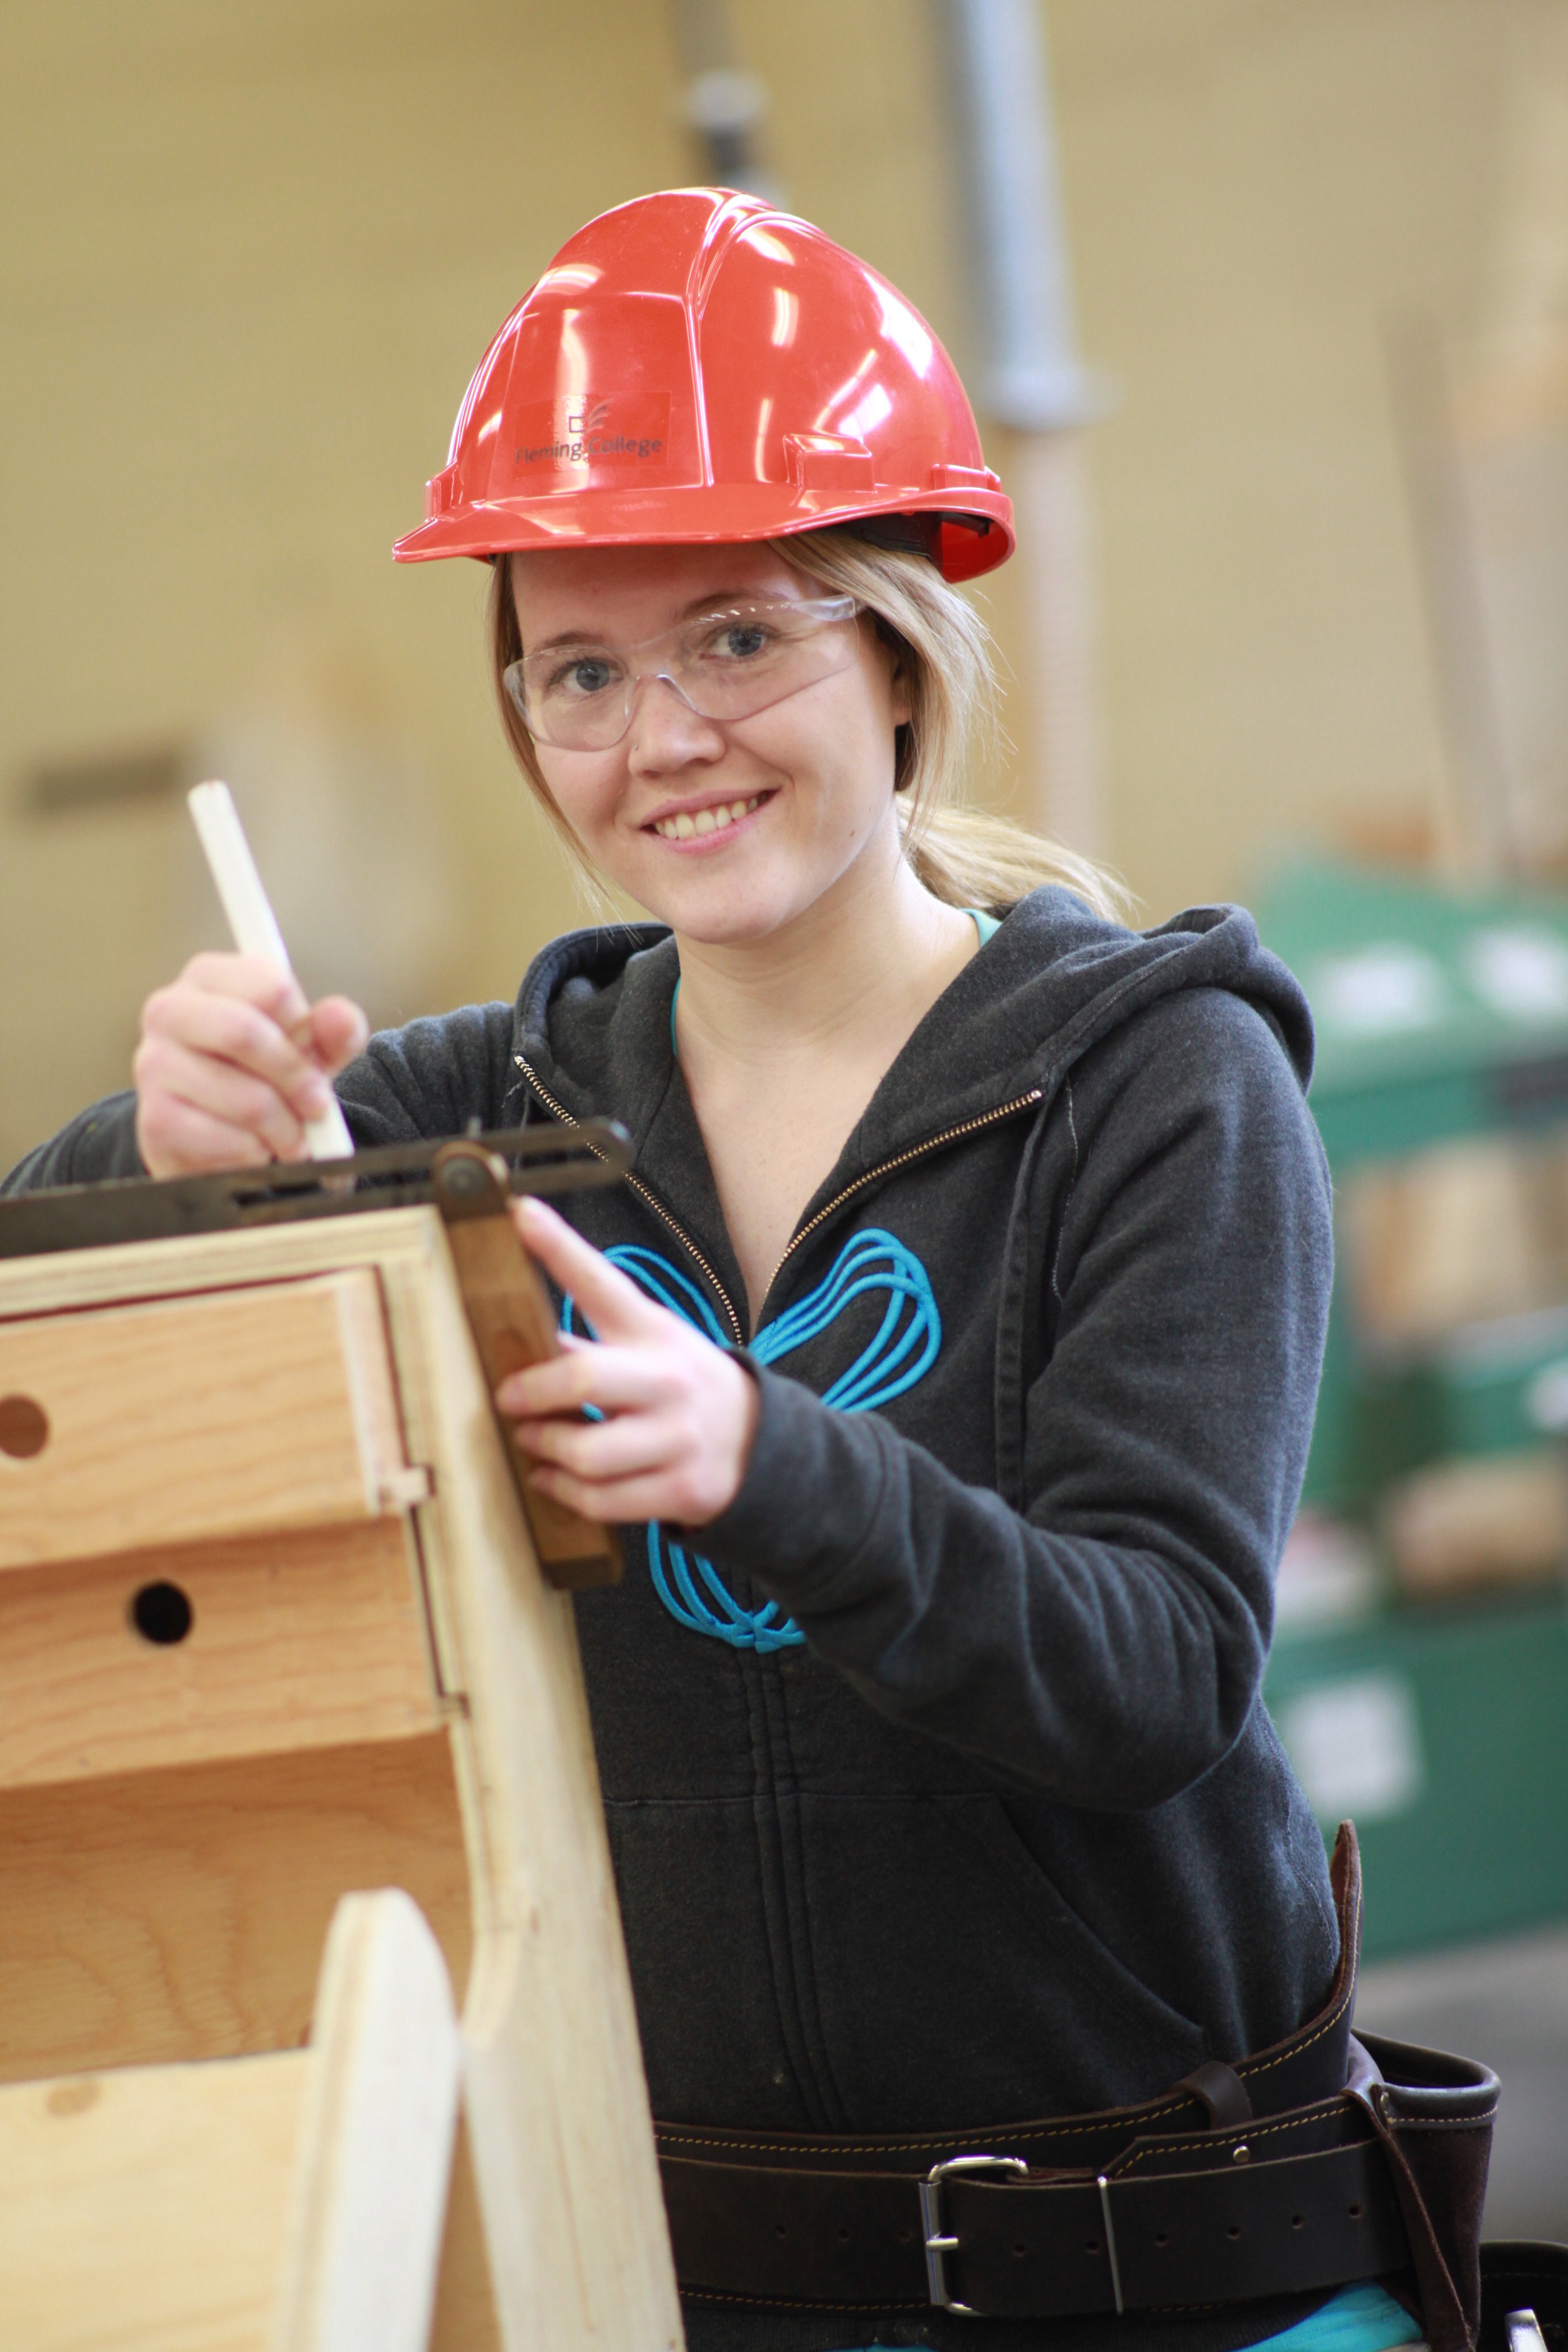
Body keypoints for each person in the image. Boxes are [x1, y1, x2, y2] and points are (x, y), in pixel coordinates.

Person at [4, 193, 1430, 2352]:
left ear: (891, 650)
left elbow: (1150, 1675)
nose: (661, 733)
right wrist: (167, 1143)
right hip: (677, 2287)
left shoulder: (1157, 1087)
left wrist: (765, 1456)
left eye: (739, 636)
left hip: (1161, 2280)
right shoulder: (463, 1106)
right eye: (580, 669)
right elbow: (55, 1316)